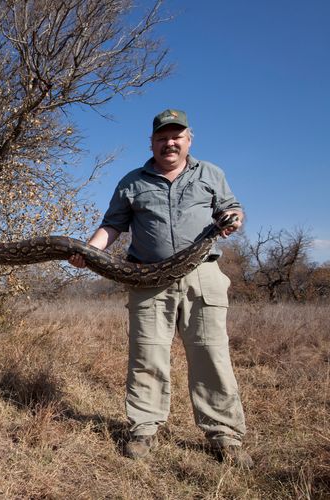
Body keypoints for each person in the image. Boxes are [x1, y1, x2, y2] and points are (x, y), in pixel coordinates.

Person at [69, 109, 253, 468]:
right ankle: (143, 430)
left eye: (176, 137)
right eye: (162, 137)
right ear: (151, 142)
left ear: (189, 139)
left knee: (211, 355)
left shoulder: (210, 174)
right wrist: (88, 252)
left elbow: (232, 208)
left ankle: (225, 436)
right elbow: (112, 226)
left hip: (204, 275)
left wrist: (234, 219)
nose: (169, 143)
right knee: (147, 356)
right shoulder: (132, 181)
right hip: (148, 279)